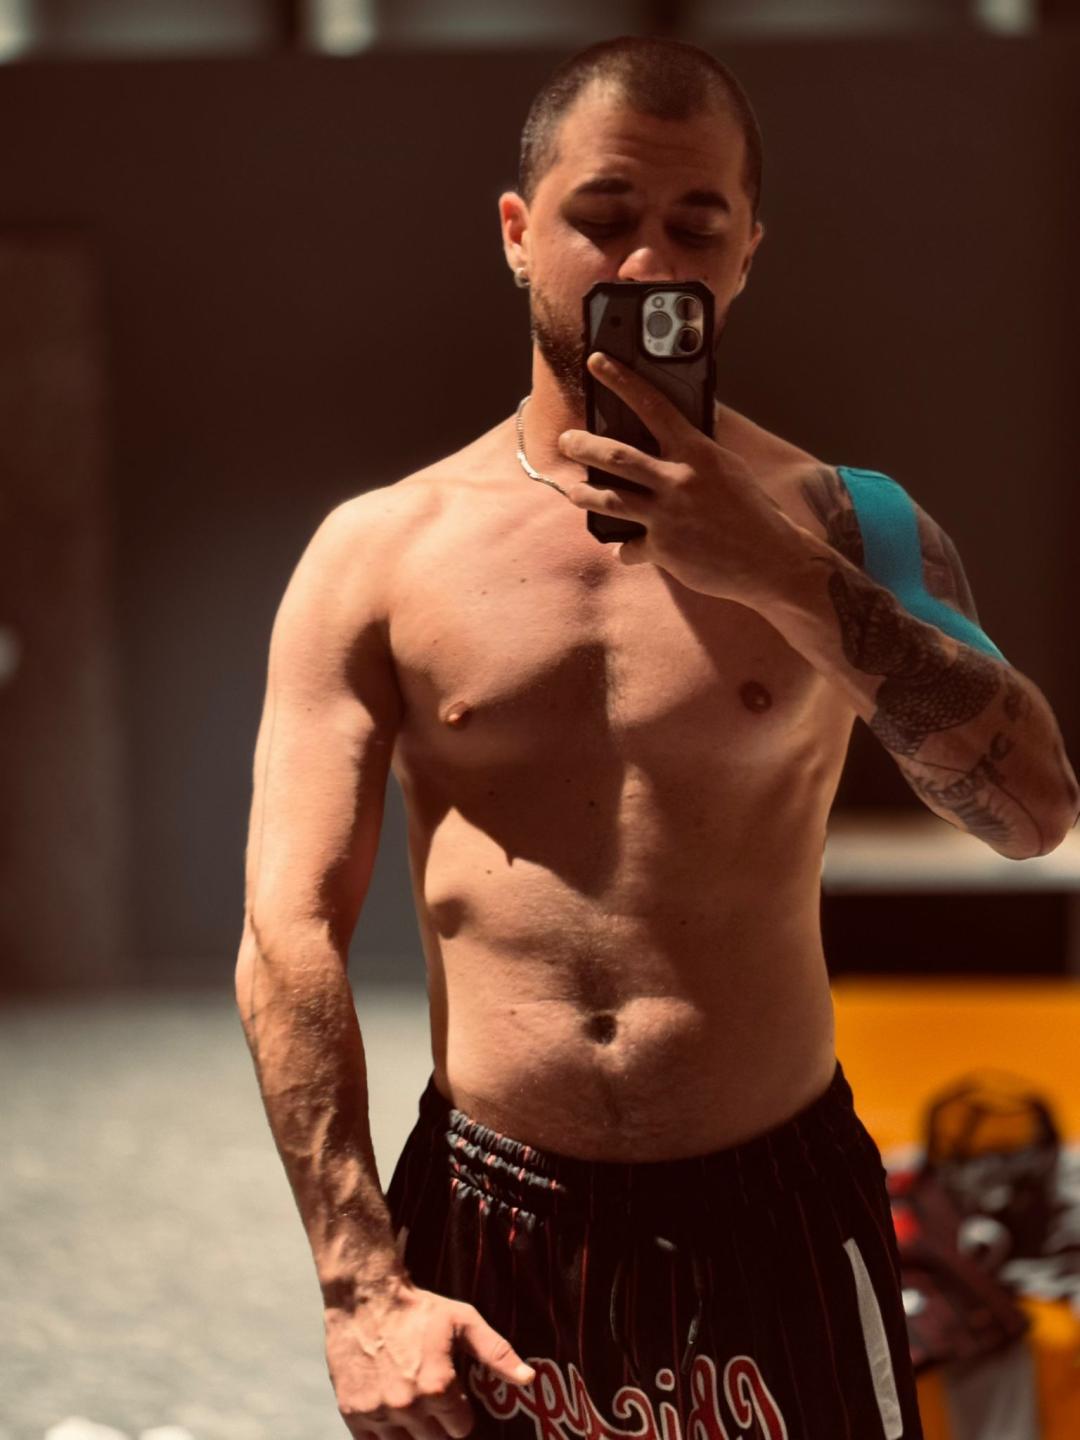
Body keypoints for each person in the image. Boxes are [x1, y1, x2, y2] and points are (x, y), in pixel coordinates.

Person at [235, 33, 1079, 1440]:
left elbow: (1035, 813)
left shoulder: (849, 524)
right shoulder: (377, 554)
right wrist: (359, 1283)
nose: (646, 264)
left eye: (697, 225)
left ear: (748, 253)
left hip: (777, 1202)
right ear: (519, 232)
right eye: (604, 216)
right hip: (489, 1208)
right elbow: (287, 931)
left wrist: (783, 577)